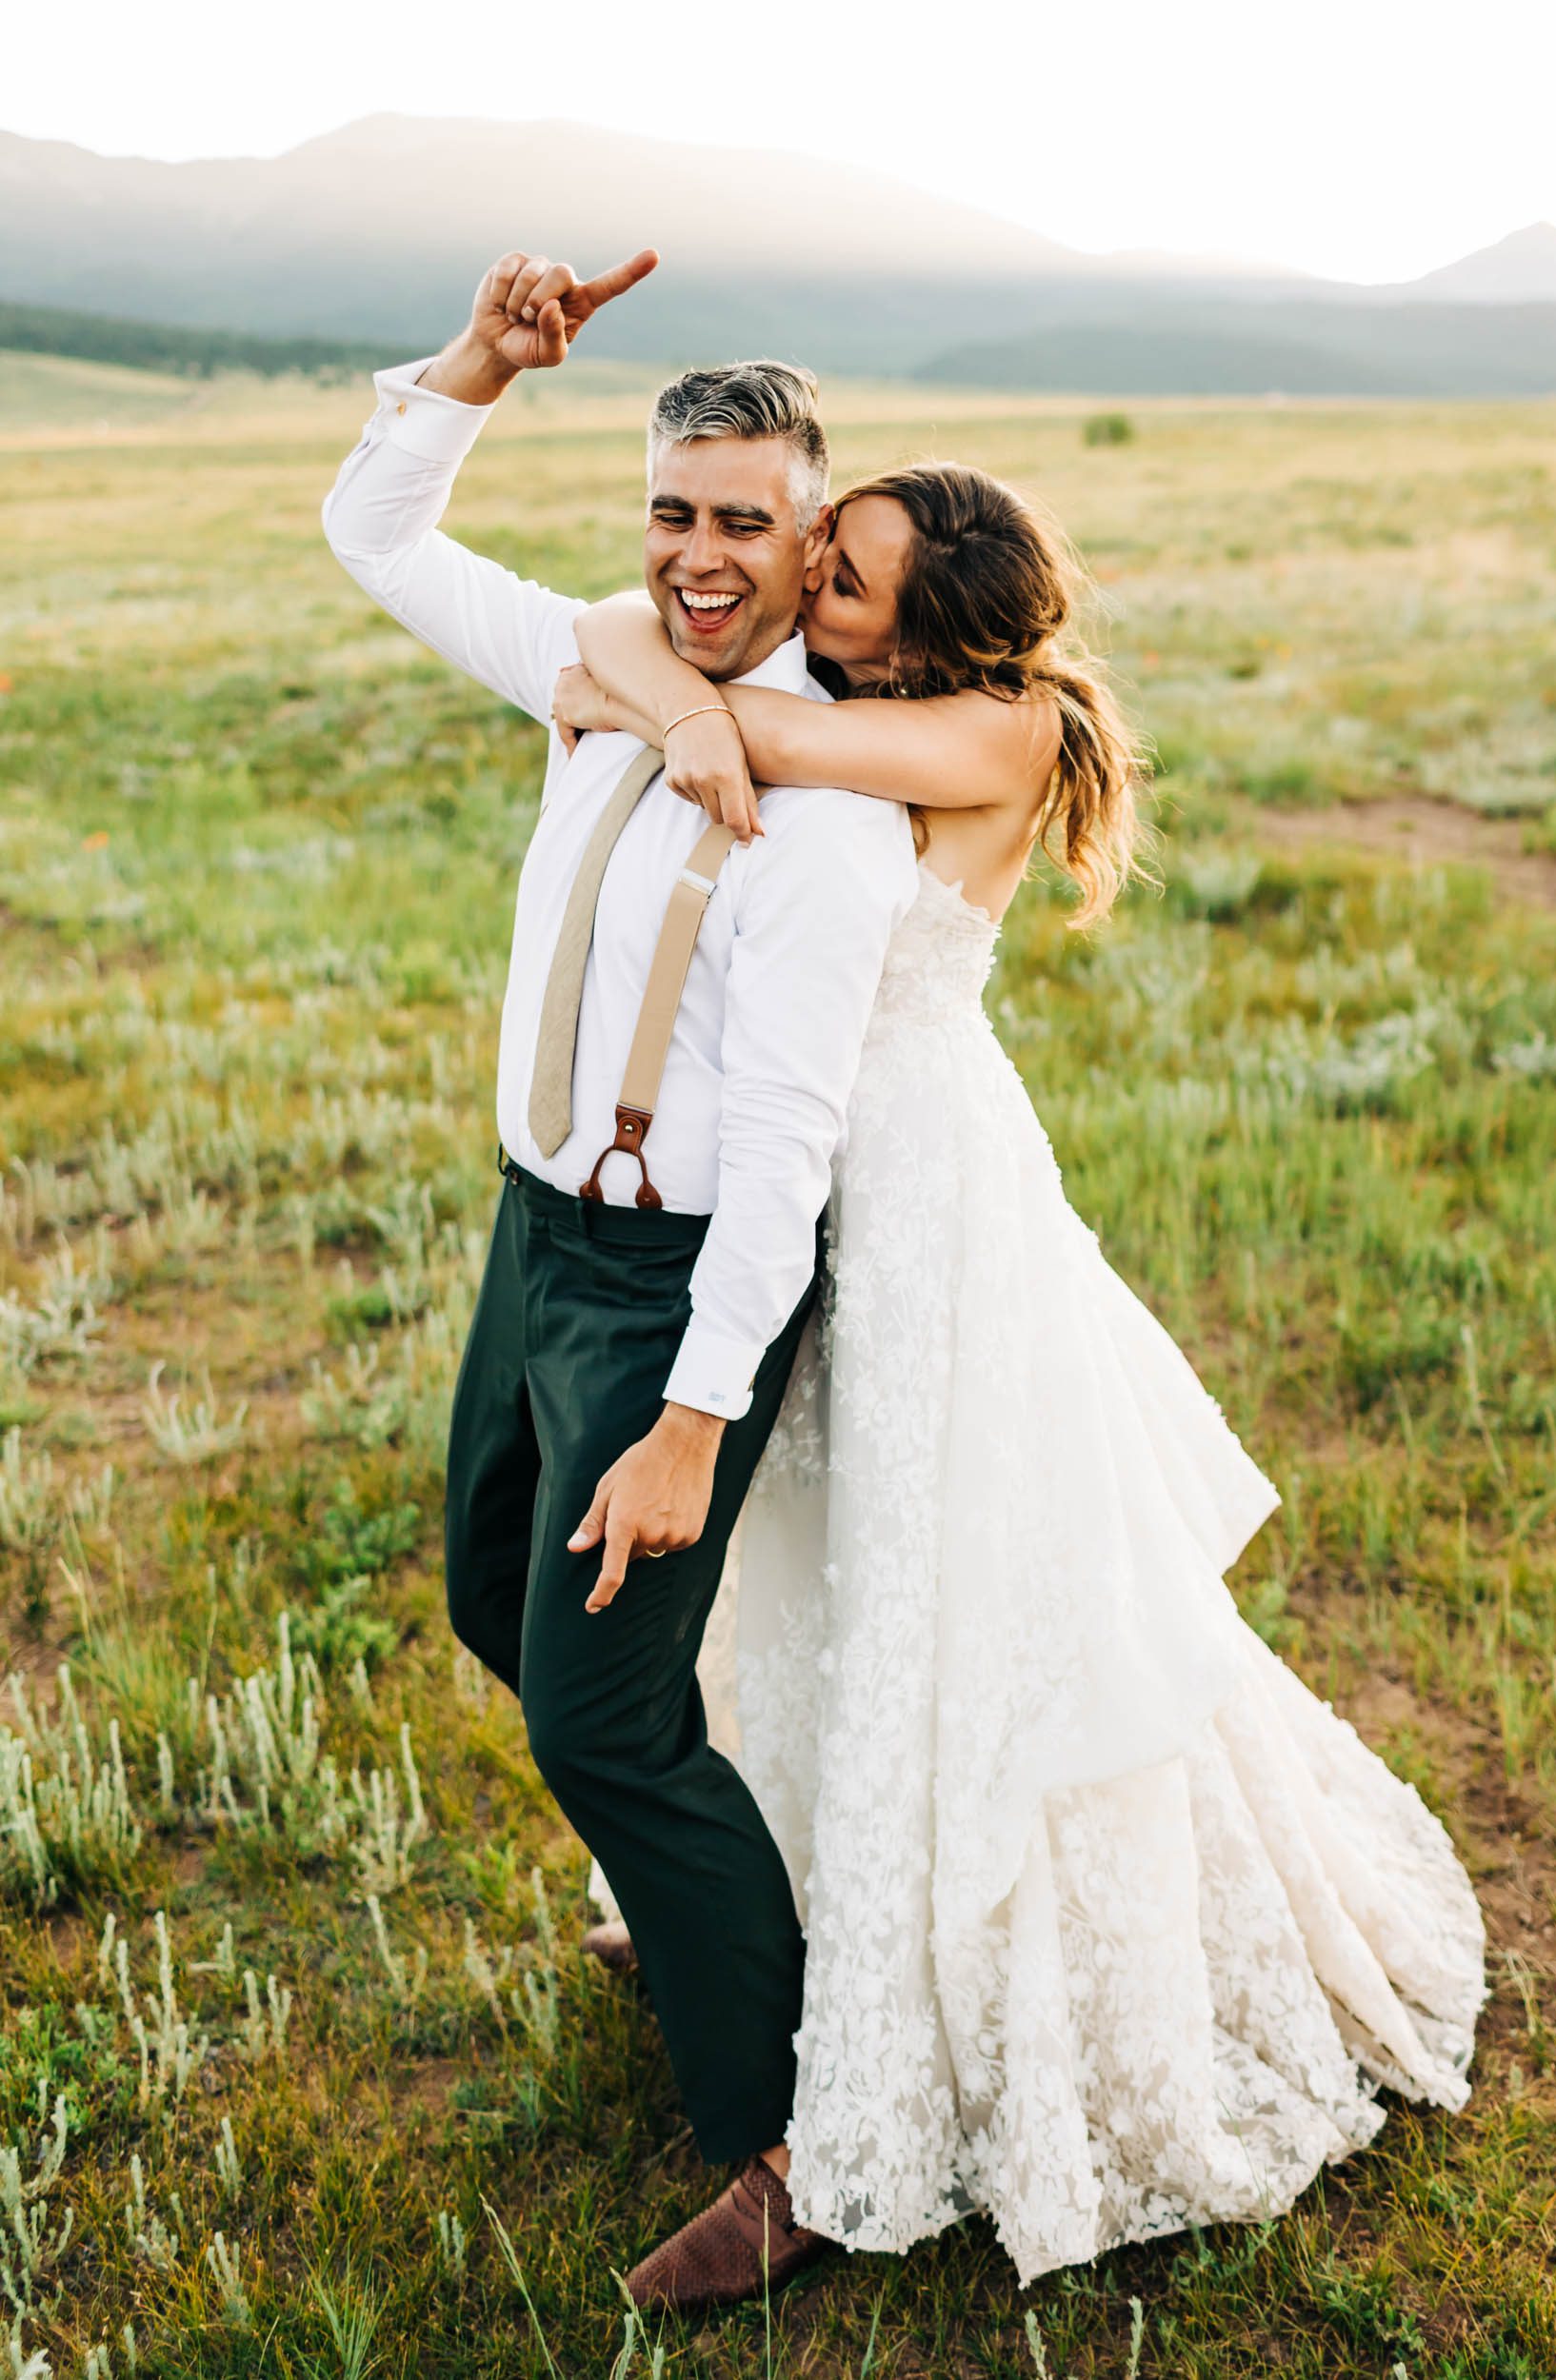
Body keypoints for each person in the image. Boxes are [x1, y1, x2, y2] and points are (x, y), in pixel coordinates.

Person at [553, 462, 1490, 2289]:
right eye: (825, 553)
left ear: (936, 618)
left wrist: (665, 684)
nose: (810, 584)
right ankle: (803, 1899)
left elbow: (687, 700)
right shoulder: (880, 696)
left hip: (927, 1204)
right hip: (831, 1186)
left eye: (845, 578)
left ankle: (939, 2031)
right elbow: (643, 668)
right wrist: (659, 672)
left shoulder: (989, 729)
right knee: (818, 1555)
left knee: (960, 1589)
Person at [321, 248, 918, 2308]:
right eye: (672, 510)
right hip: (530, 1234)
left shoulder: (830, 821)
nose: (697, 554)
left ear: (809, 534)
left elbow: (789, 1155)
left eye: (743, 521)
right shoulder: (590, 675)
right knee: (498, 1592)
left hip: (674, 1286)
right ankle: (713, 1899)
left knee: (605, 1720)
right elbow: (375, 529)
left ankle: (800, 2136)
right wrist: (479, 360)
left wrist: (689, 1417)